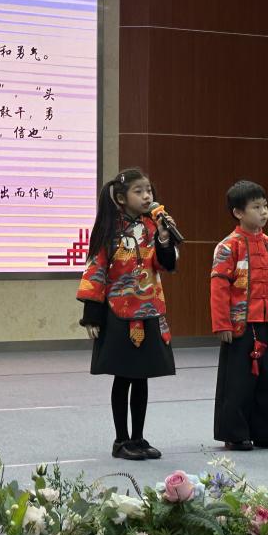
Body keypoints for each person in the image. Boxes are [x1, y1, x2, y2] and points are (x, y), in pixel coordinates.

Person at [77, 168, 179, 461]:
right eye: (139, 191)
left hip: (149, 310)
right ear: (121, 198)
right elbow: (95, 270)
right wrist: (92, 315)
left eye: (149, 190)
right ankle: (121, 440)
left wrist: (164, 238)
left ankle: (139, 437)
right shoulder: (109, 230)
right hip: (118, 313)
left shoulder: (153, 226)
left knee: (142, 377)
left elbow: (166, 265)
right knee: (123, 378)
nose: (147, 196)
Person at [210, 180, 268, 451]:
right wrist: (222, 323)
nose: (263, 212)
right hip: (239, 325)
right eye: (256, 207)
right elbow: (219, 288)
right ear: (238, 212)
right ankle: (235, 433)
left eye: (265, 206)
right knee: (238, 382)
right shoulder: (228, 246)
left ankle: (267, 432)